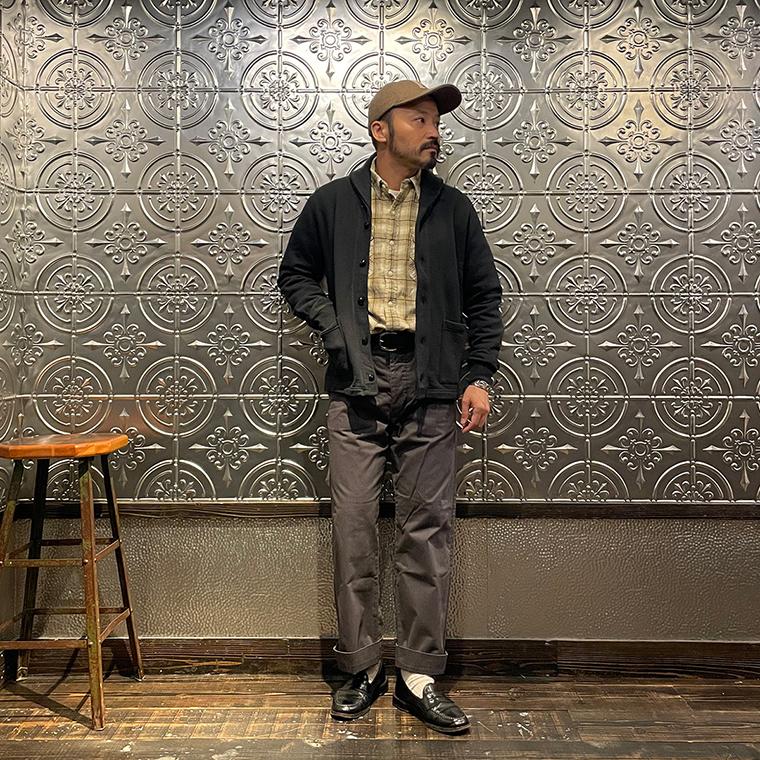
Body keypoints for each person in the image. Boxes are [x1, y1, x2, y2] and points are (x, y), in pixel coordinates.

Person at [278, 79, 503, 734]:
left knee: (426, 529)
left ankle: (418, 675)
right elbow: (295, 275)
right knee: (353, 526)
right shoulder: (332, 203)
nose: (434, 131)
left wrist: (479, 376)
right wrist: (333, 328)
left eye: (436, 121)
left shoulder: (454, 210)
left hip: (433, 381)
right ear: (381, 129)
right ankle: (360, 667)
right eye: (420, 119)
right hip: (358, 379)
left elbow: (484, 298)